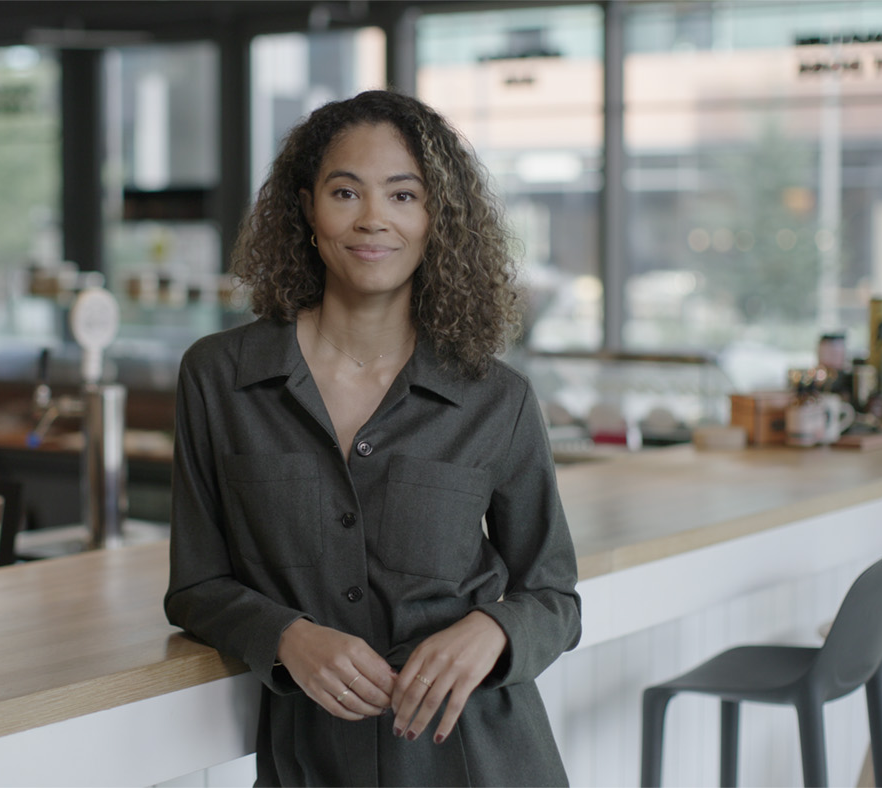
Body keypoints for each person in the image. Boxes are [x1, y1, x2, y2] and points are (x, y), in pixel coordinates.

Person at [164, 89, 581, 787]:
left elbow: (554, 596)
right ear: (307, 208)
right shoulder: (219, 377)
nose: (373, 220)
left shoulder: (494, 396)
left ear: (434, 219)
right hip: (313, 761)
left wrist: (495, 629)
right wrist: (286, 636)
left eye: (403, 195)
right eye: (345, 192)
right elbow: (197, 586)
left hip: (483, 758)